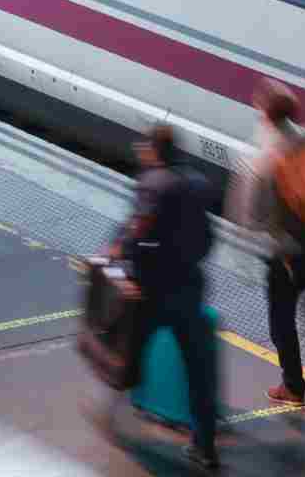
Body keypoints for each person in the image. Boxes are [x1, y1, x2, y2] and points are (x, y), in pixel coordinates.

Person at [107, 124, 220, 470]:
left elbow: (137, 231)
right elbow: (207, 233)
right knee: (198, 370)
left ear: (153, 151)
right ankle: (205, 448)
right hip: (190, 286)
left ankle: (112, 410)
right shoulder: (197, 183)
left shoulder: (153, 183)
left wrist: (122, 261)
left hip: (155, 290)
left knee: (125, 347)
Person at [225, 78, 305, 407]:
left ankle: (293, 387)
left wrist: (242, 252)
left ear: (264, 114)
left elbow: (250, 216)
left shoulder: (261, 157)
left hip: (285, 254)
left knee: (280, 322)